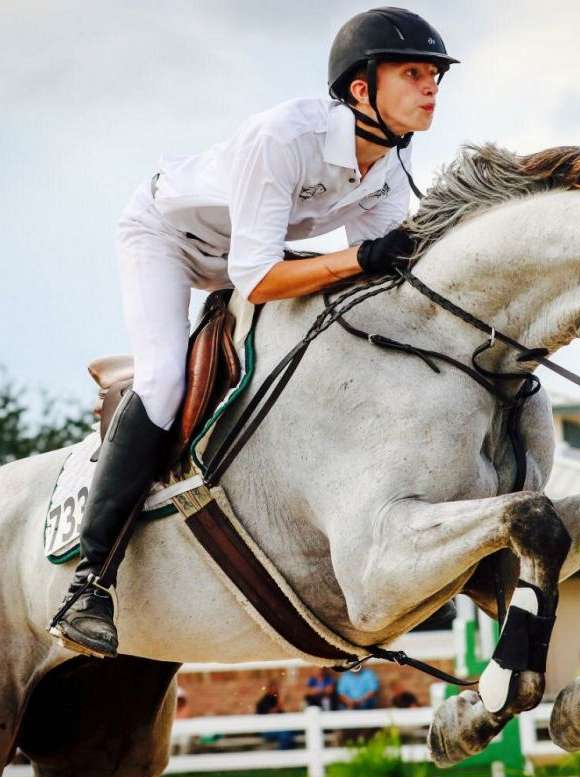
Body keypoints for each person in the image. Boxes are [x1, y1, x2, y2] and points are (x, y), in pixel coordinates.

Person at [47, 8, 459, 659]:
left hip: (245, 255)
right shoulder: (284, 136)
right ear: (360, 88)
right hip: (167, 239)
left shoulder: (388, 171)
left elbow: (382, 292)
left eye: (435, 75)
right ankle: (91, 581)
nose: (431, 86)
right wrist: (359, 261)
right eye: (413, 73)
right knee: (163, 380)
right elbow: (261, 277)